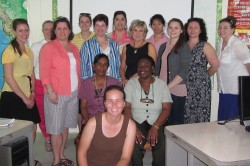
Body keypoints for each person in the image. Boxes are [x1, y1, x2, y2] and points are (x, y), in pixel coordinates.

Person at [40, 16, 81, 166]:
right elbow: (44, 72)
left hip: (73, 93)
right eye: (59, 28)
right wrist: (50, 91)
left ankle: (62, 155)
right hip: (56, 94)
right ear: (54, 31)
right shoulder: (48, 47)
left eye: (65, 28)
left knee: (64, 126)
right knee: (55, 129)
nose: (62, 31)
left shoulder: (73, 47)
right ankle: (56, 160)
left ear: (70, 30)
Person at [0, 18, 41, 166]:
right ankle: (14, 161)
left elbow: (31, 73)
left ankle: (27, 157)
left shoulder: (28, 50)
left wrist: (33, 92)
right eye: (20, 30)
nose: (24, 33)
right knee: (14, 132)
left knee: (32, 127)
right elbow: (9, 78)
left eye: (26, 30)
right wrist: (25, 98)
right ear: (14, 32)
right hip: (12, 95)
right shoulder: (9, 51)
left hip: (27, 93)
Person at [124, 55, 172, 166]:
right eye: (139, 66)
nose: (142, 68)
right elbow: (126, 108)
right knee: (133, 141)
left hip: (158, 120)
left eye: (146, 66)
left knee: (162, 143)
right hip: (136, 120)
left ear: (153, 68)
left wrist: (155, 127)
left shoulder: (161, 85)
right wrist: (133, 127)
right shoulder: (131, 84)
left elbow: (166, 109)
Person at [77, 85, 136, 166]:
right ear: (104, 103)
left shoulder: (130, 126)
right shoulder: (93, 123)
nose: (114, 105)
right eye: (110, 101)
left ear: (124, 104)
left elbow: (125, 158)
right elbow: (81, 152)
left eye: (118, 101)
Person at [76, 53, 121, 145]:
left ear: (108, 67)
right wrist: (89, 122)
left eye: (105, 64)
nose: (102, 67)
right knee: (81, 142)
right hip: (90, 118)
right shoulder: (86, 84)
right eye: (99, 64)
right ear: (94, 65)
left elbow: (118, 105)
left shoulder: (114, 82)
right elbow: (83, 106)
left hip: (109, 119)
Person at [155, 18, 191, 125]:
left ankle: (174, 143)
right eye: (170, 27)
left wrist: (168, 87)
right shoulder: (163, 46)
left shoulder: (184, 46)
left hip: (177, 90)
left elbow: (185, 70)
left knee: (176, 122)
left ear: (181, 30)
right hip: (163, 89)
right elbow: (158, 68)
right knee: (164, 119)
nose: (173, 30)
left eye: (176, 28)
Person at [184, 17, 219, 123]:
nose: (192, 30)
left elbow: (215, 65)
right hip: (184, 86)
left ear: (201, 30)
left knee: (200, 115)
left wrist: (205, 75)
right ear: (186, 29)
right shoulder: (182, 45)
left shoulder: (205, 46)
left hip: (201, 87)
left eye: (196, 27)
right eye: (190, 27)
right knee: (185, 114)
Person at [217, 16, 250, 121]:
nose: (222, 30)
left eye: (225, 28)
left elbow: (249, 64)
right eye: (220, 28)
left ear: (233, 29)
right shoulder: (219, 44)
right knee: (223, 121)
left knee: (233, 124)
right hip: (223, 89)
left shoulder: (237, 45)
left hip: (236, 91)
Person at [31, 20, 53, 152]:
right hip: (39, 83)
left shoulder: (59, 45)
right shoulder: (36, 46)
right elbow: (31, 68)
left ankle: (55, 136)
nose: (49, 31)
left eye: (51, 29)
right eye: (46, 29)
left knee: (53, 113)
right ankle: (47, 138)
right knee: (42, 114)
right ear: (42, 30)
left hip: (55, 84)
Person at [71, 12, 94, 140]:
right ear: (79, 24)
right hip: (79, 78)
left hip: (95, 78)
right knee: (82, 106)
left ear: (90, 24)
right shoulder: (73, 39)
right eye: (82, 22)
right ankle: (81, 132)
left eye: (87, 21)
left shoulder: (96, 37)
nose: (84, 24)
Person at [80, 14, 121, 81]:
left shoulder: (114, 45)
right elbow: (82, 68)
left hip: (113, 84)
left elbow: (118, 66)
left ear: (107, 27)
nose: (100, 28)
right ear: (93, 27)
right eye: (97, 25)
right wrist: (88, 84)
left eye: (103, 25)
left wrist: (118, 82)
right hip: (94, 85)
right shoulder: (86, 46)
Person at [120, 19, 157, 86]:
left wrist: (131, 79)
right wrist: (123, 79)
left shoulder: (149, 46)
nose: (138, 33)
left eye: (141, 31)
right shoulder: (126, 47)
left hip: (144, 82)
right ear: (131, 32)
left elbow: (151, 67)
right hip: (128, 83)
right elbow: (122, 67)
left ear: (145, 33)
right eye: (135, 30)